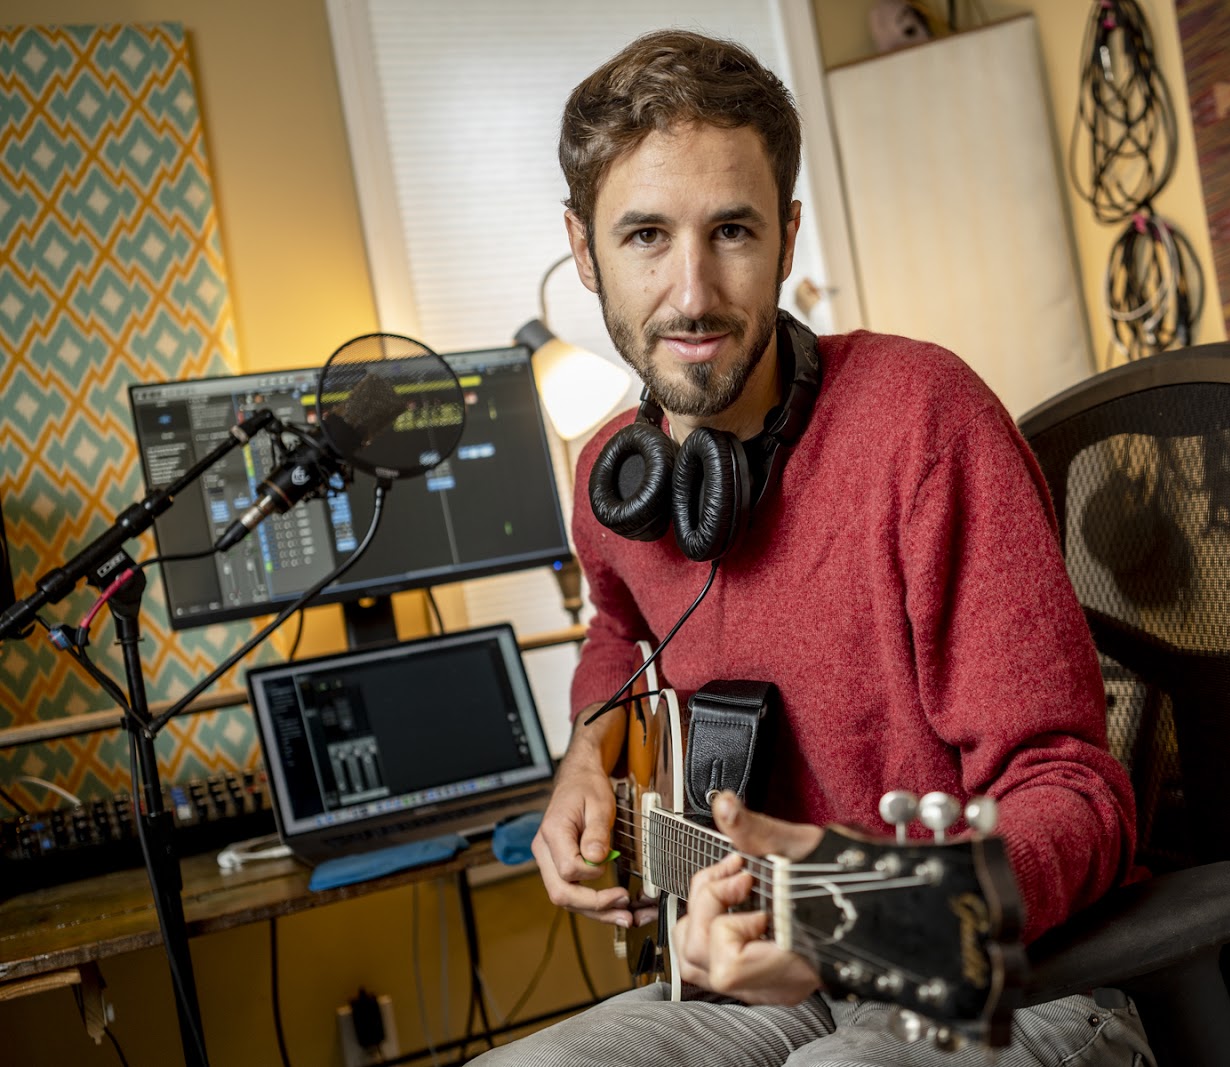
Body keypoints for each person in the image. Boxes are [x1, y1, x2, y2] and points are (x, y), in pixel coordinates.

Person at [475, 29, 1149, 1067]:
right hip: (774, 988)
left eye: (732, 231)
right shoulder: (614, 474)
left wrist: (862, 918)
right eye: (645, 235)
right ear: (582, 247)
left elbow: (1077, 794)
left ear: (787, 237)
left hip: (1013, 976)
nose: (692, 292)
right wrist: (585, 757)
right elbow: (617, 631)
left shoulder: (925, 420)